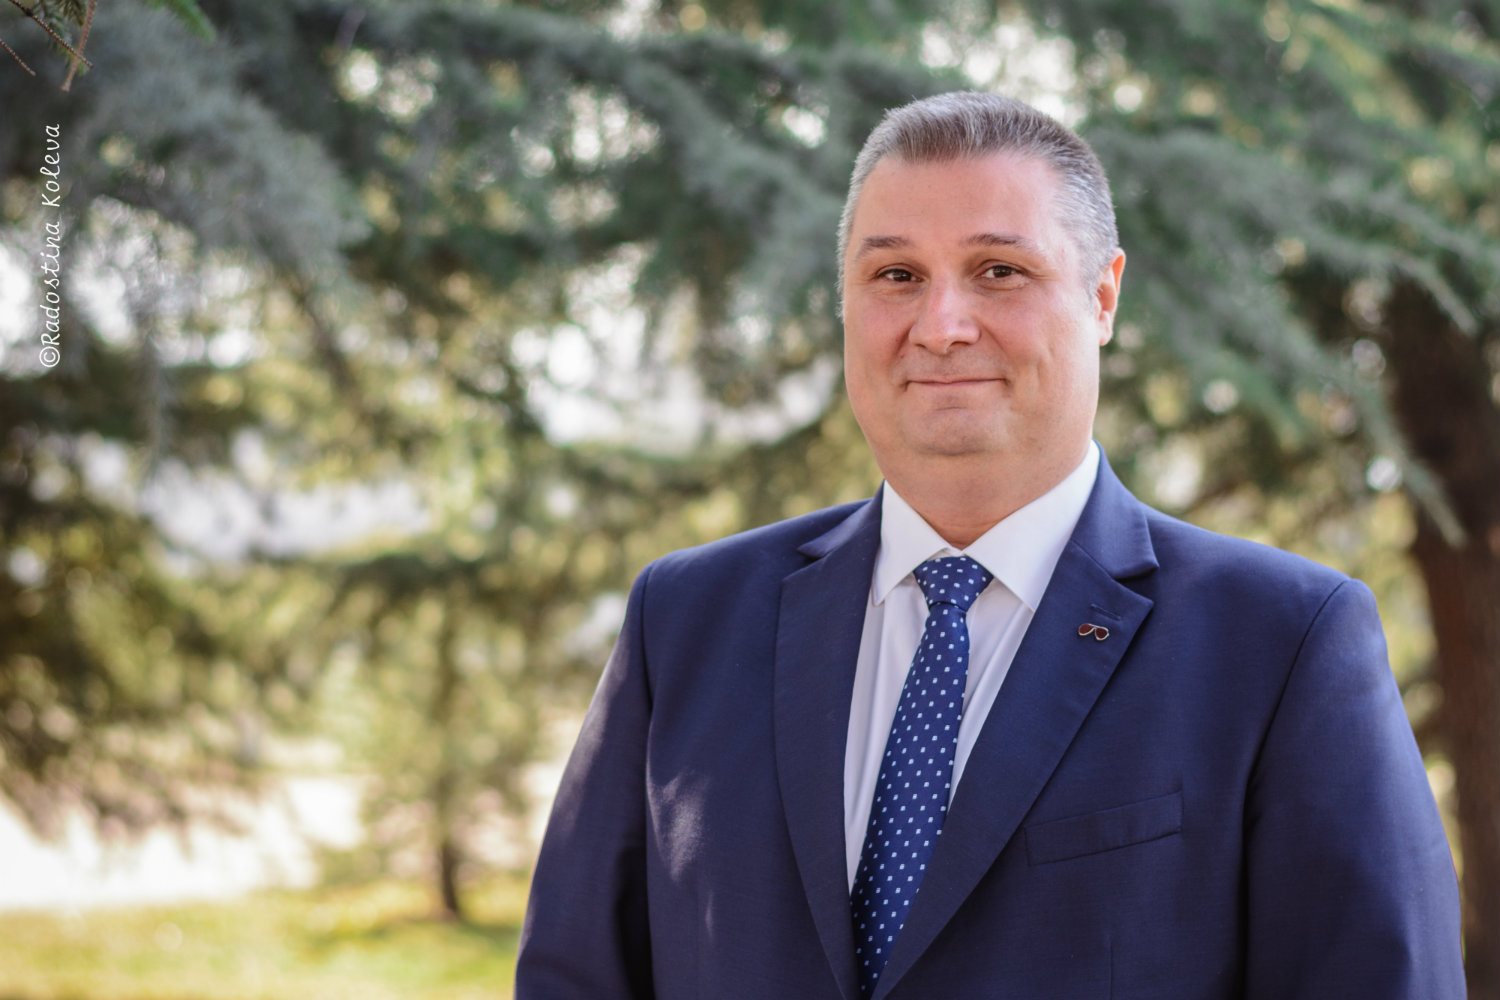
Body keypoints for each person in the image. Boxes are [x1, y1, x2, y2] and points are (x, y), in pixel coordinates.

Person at [514, 91, 1465, 999]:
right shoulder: (683, 623)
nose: (942, 327)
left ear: (1103, 296)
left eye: (999, 271)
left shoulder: (1282, 645)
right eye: (896, 276)